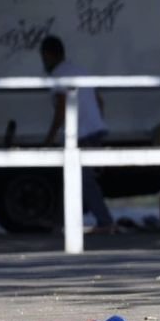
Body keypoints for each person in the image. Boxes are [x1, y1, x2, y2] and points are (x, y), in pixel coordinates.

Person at [40, 35, 115, 233]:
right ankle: (61, 221)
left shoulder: (58, 75)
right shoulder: (81, 70)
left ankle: (105, 221)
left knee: (83, 180)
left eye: (44, 58)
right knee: (72, 177)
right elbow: (100, 101)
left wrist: (49, 139)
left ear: (48, 55)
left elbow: (62, 109)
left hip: (81, 133)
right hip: (95, 129)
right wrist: (97, 123)